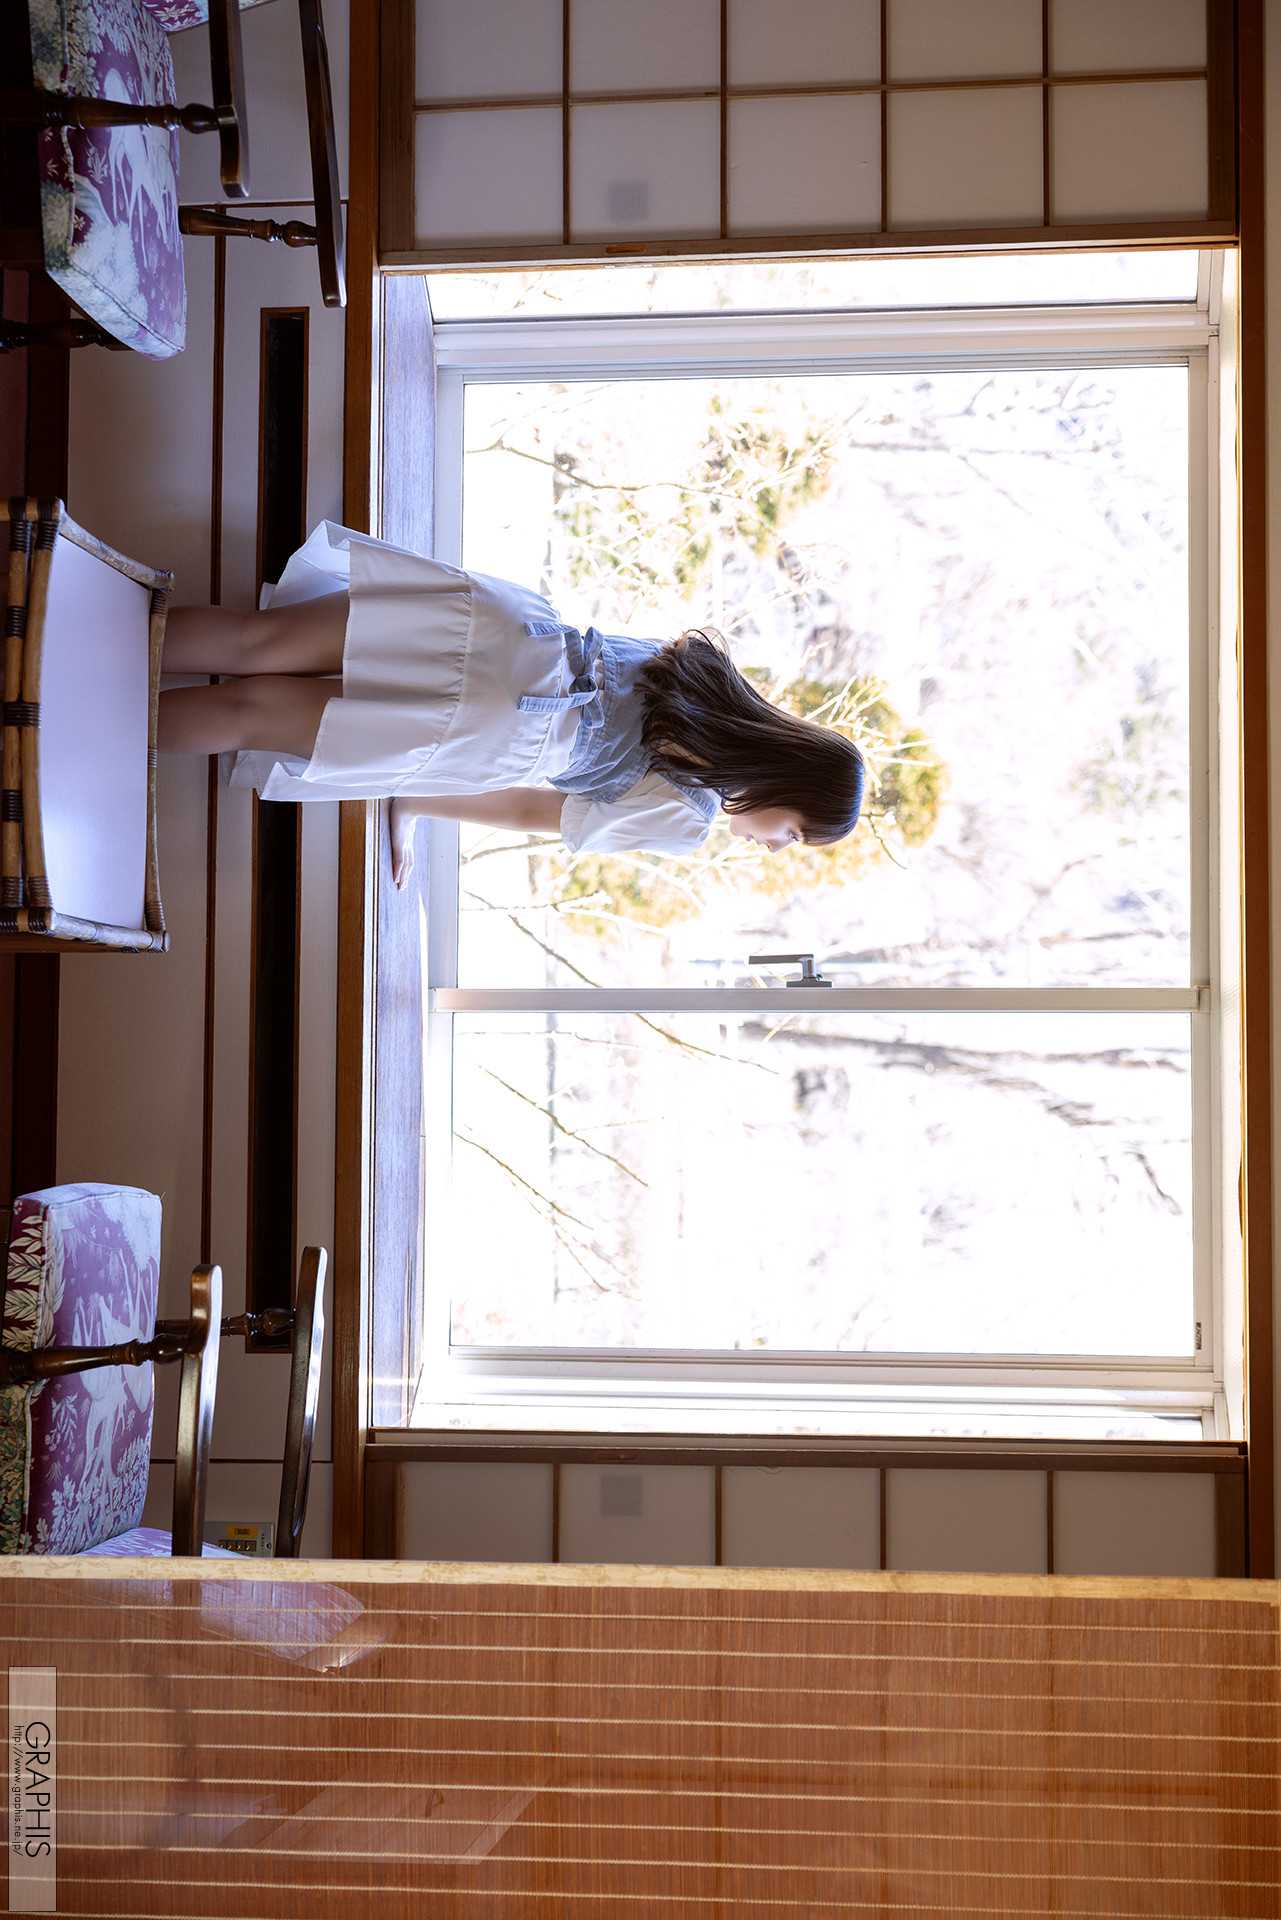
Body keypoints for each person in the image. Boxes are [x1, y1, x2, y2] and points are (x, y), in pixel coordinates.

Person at [158, 521, 866, 886]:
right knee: (250, 713)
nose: (776, 845)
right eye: (794, 833)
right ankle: (87, 728)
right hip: (499, 730)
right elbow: (534, 809)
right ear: (789, 785)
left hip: (510, 631)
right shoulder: (689, 818)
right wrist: (413, 799)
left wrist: (412, 802)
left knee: (255, 641)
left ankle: (90, 632)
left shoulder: (711, 678)